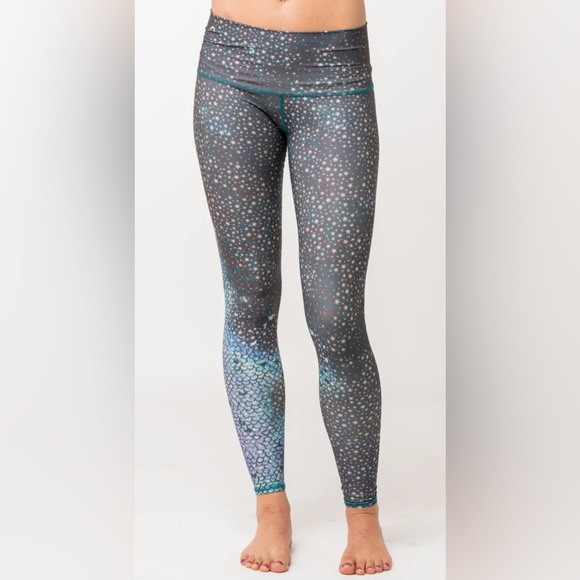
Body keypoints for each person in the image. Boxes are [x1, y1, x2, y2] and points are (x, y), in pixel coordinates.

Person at [193, 0, 393, 574]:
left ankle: (363, 516)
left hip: (334, 73)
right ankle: (271, 507)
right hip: (230, 68)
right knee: (250, 301)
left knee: (335, 318)